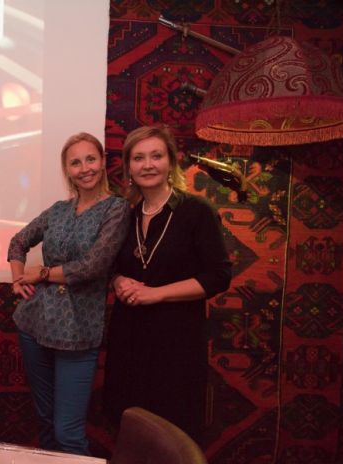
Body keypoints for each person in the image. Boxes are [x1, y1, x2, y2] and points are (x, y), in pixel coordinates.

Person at [103, 125, 231, 445]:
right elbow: (111, 267)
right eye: (138, 158)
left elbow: (218, 276)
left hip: (176, 343)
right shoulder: (125, 216)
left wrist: (155, 294)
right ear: (128, 167)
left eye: (156, 156)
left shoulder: (197, 212)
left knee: (172, 436)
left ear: (171, 162)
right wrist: (118, 280)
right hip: (129, 339)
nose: (148, 165)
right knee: (129, 431)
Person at [7, 132, 131, 455]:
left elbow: (92, 267)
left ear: (103, 162)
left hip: (78, 333)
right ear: (67, 171)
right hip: (33, 325)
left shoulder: (116, 209)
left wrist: (42, 273)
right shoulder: (58, 210)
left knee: (68, 432)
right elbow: (18, 241)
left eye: (90, 159)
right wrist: (18, 277)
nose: (84, 168)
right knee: (45, 421)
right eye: (75, 163)